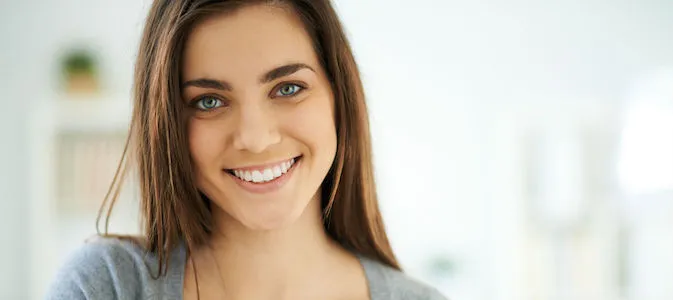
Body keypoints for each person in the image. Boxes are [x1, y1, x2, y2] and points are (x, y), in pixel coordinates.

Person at [45, 0, 448, 299]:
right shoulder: (107, 286)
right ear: (169, 125)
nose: (255, 138)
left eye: (287, 88)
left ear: (338, 97)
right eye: (208, 101)